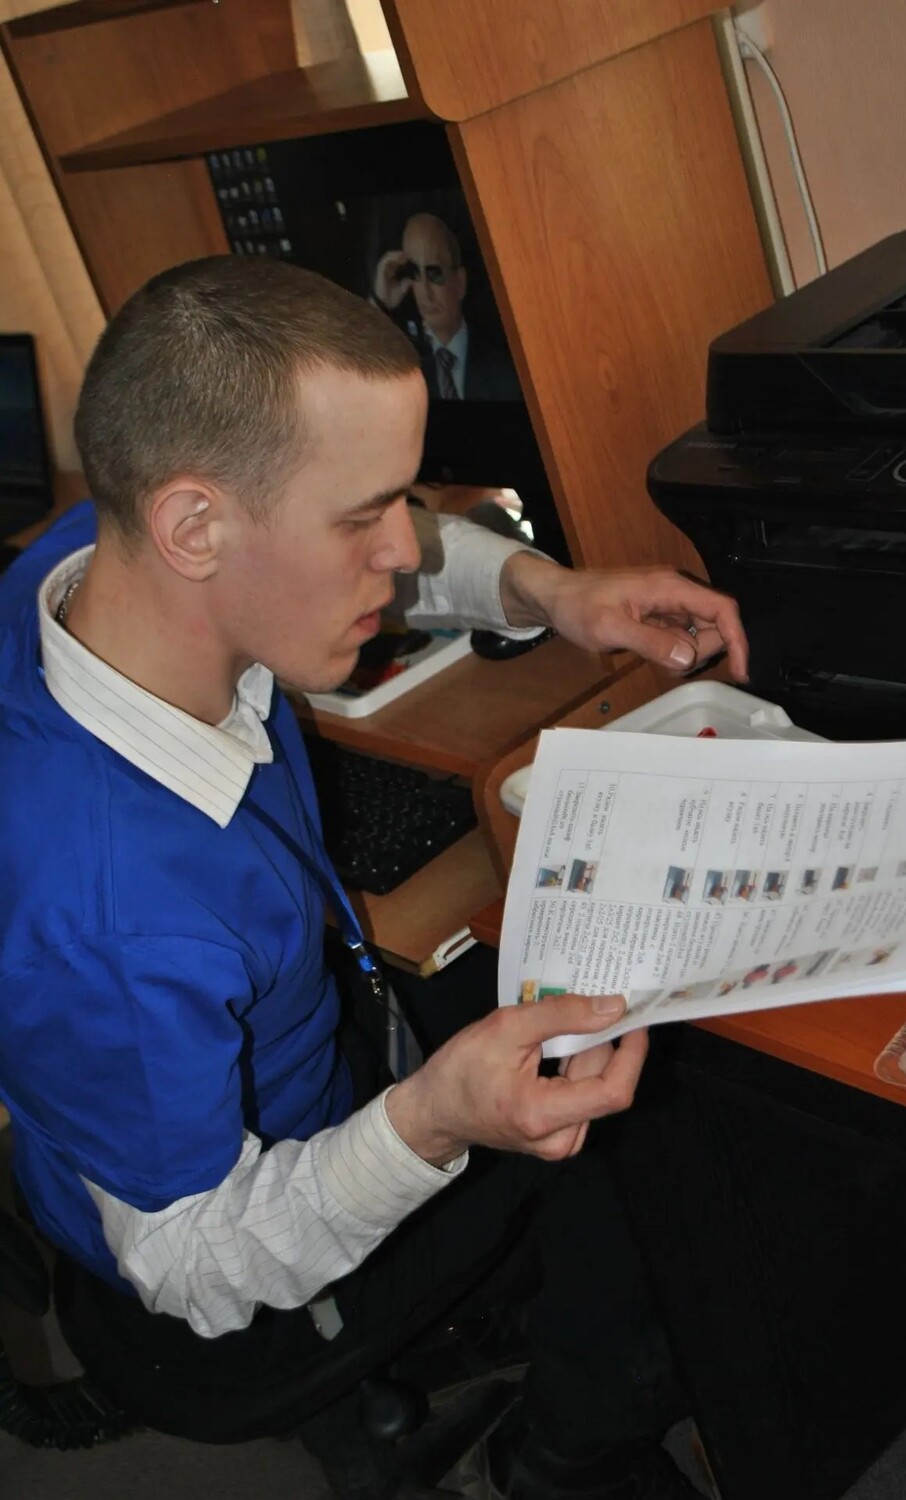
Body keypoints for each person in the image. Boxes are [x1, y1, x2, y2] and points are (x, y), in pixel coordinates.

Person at [0, 256, 747, 1500]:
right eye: (362, 521)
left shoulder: (85, 562)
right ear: (195, 527)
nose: (403, 548)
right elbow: (192, 1263)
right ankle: (567, 1454)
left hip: (313, 1031)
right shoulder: (110, 920)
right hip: (242, 1260)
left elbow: (396, 550)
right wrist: (434, 1121)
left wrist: (548, 590)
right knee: (649, 1145)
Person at [372, 212, 521, 401]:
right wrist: (380, 303)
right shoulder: (406, 365)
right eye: (414, 272)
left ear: (459, 282)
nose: (425, 292)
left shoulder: (504, 372)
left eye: (435, 273)